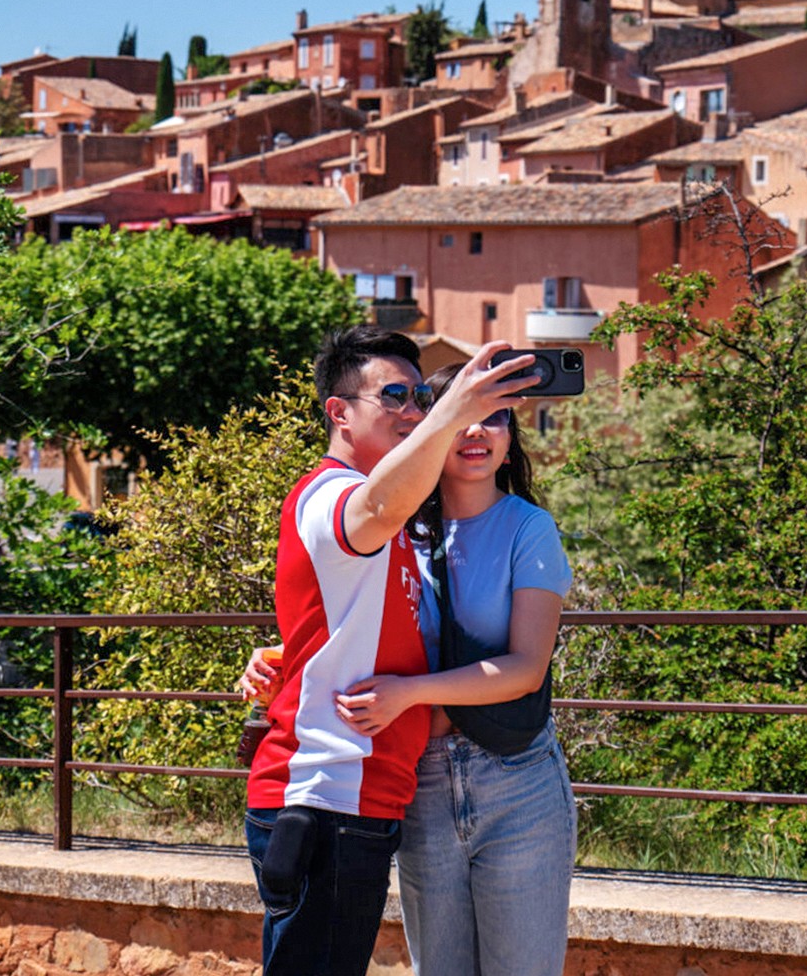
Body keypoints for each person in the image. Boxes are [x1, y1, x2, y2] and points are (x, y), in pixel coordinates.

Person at [241, 327, 536, 976]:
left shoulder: (398, 526)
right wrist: (457, 409)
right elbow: (375, 504)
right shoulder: (333, 496)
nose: (412, 411)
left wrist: (285, 655)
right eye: (395, 396)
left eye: (421, 397)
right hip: (324, 797)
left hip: (359, 801)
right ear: (339, 411)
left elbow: (338, 621)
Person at [332, 363, 576, 976]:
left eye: (492, 418)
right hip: (424, 783)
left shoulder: (529, 528)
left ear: (509, 437)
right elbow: (350, 631)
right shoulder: (396, 535)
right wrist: (275, 660)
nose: (476, 433)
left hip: (518, 780)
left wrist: (412, 692)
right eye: (460, 418)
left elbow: (525, 667)